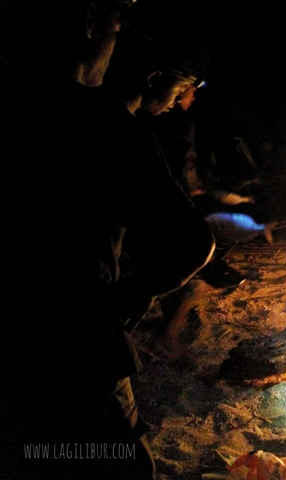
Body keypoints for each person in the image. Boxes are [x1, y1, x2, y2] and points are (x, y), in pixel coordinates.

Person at [0, 2, 214, 478]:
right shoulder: (102, 127)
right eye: (116, 27)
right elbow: (192, 241)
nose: (118, 42)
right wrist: (133, 294)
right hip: (73, 347)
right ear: (90, 25)